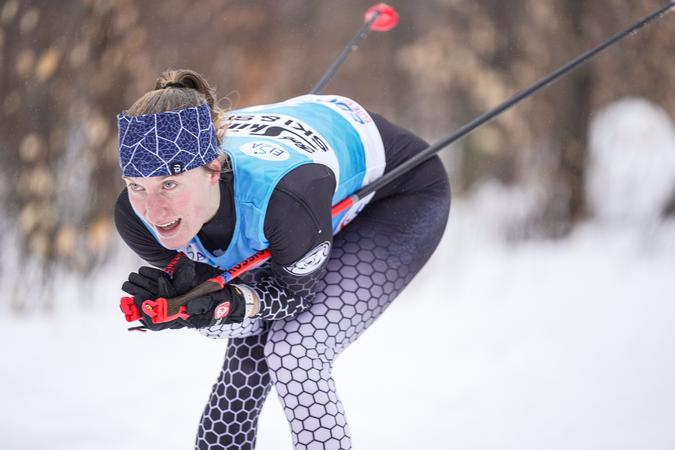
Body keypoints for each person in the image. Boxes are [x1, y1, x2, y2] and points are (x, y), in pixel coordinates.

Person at [115, 68, 450, 450]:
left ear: (212, 170)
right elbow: (225, 310)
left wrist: (229, 304)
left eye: (169, 184)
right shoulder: (135, 218)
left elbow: (291, 298)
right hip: (300, 200)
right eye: (137, 186)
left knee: (296, 351)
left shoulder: (283, 200)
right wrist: (185, 303)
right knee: (244, 369)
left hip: (396, 193)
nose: (154, 211)